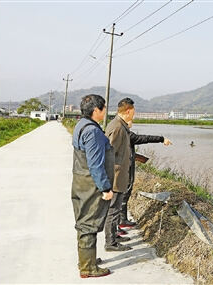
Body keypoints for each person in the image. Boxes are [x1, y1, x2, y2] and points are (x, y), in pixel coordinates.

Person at [71, 94, 114, 278]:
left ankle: (86, 259)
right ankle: (88, 268)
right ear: (96, 110)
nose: (105, 112)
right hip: (91, 184)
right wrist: (105, 188)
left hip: (81, 181)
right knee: (89, 224)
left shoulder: (81, 125)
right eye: (104, 108)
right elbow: (95, 164)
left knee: (83, 222)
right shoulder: (93, 132)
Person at [118, 131, 172, 230]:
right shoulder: (123, 132)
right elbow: (143, 138)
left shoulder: (119, 129)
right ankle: (121, 222)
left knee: (123, 194)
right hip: (124, 168)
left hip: (122, 166)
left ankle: (122, 220)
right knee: (124, 194)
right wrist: (161, 139)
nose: (131, 122)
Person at [103, 98, 135, 251]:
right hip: (115, 177)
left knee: (115, 209)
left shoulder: (122, 127)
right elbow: (108, 154)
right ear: (128, 111)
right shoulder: (117, 128)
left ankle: (114, 236)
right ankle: (110, 242)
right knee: (113, 210)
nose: (134, 115)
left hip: (120, 176)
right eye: (133, 112)